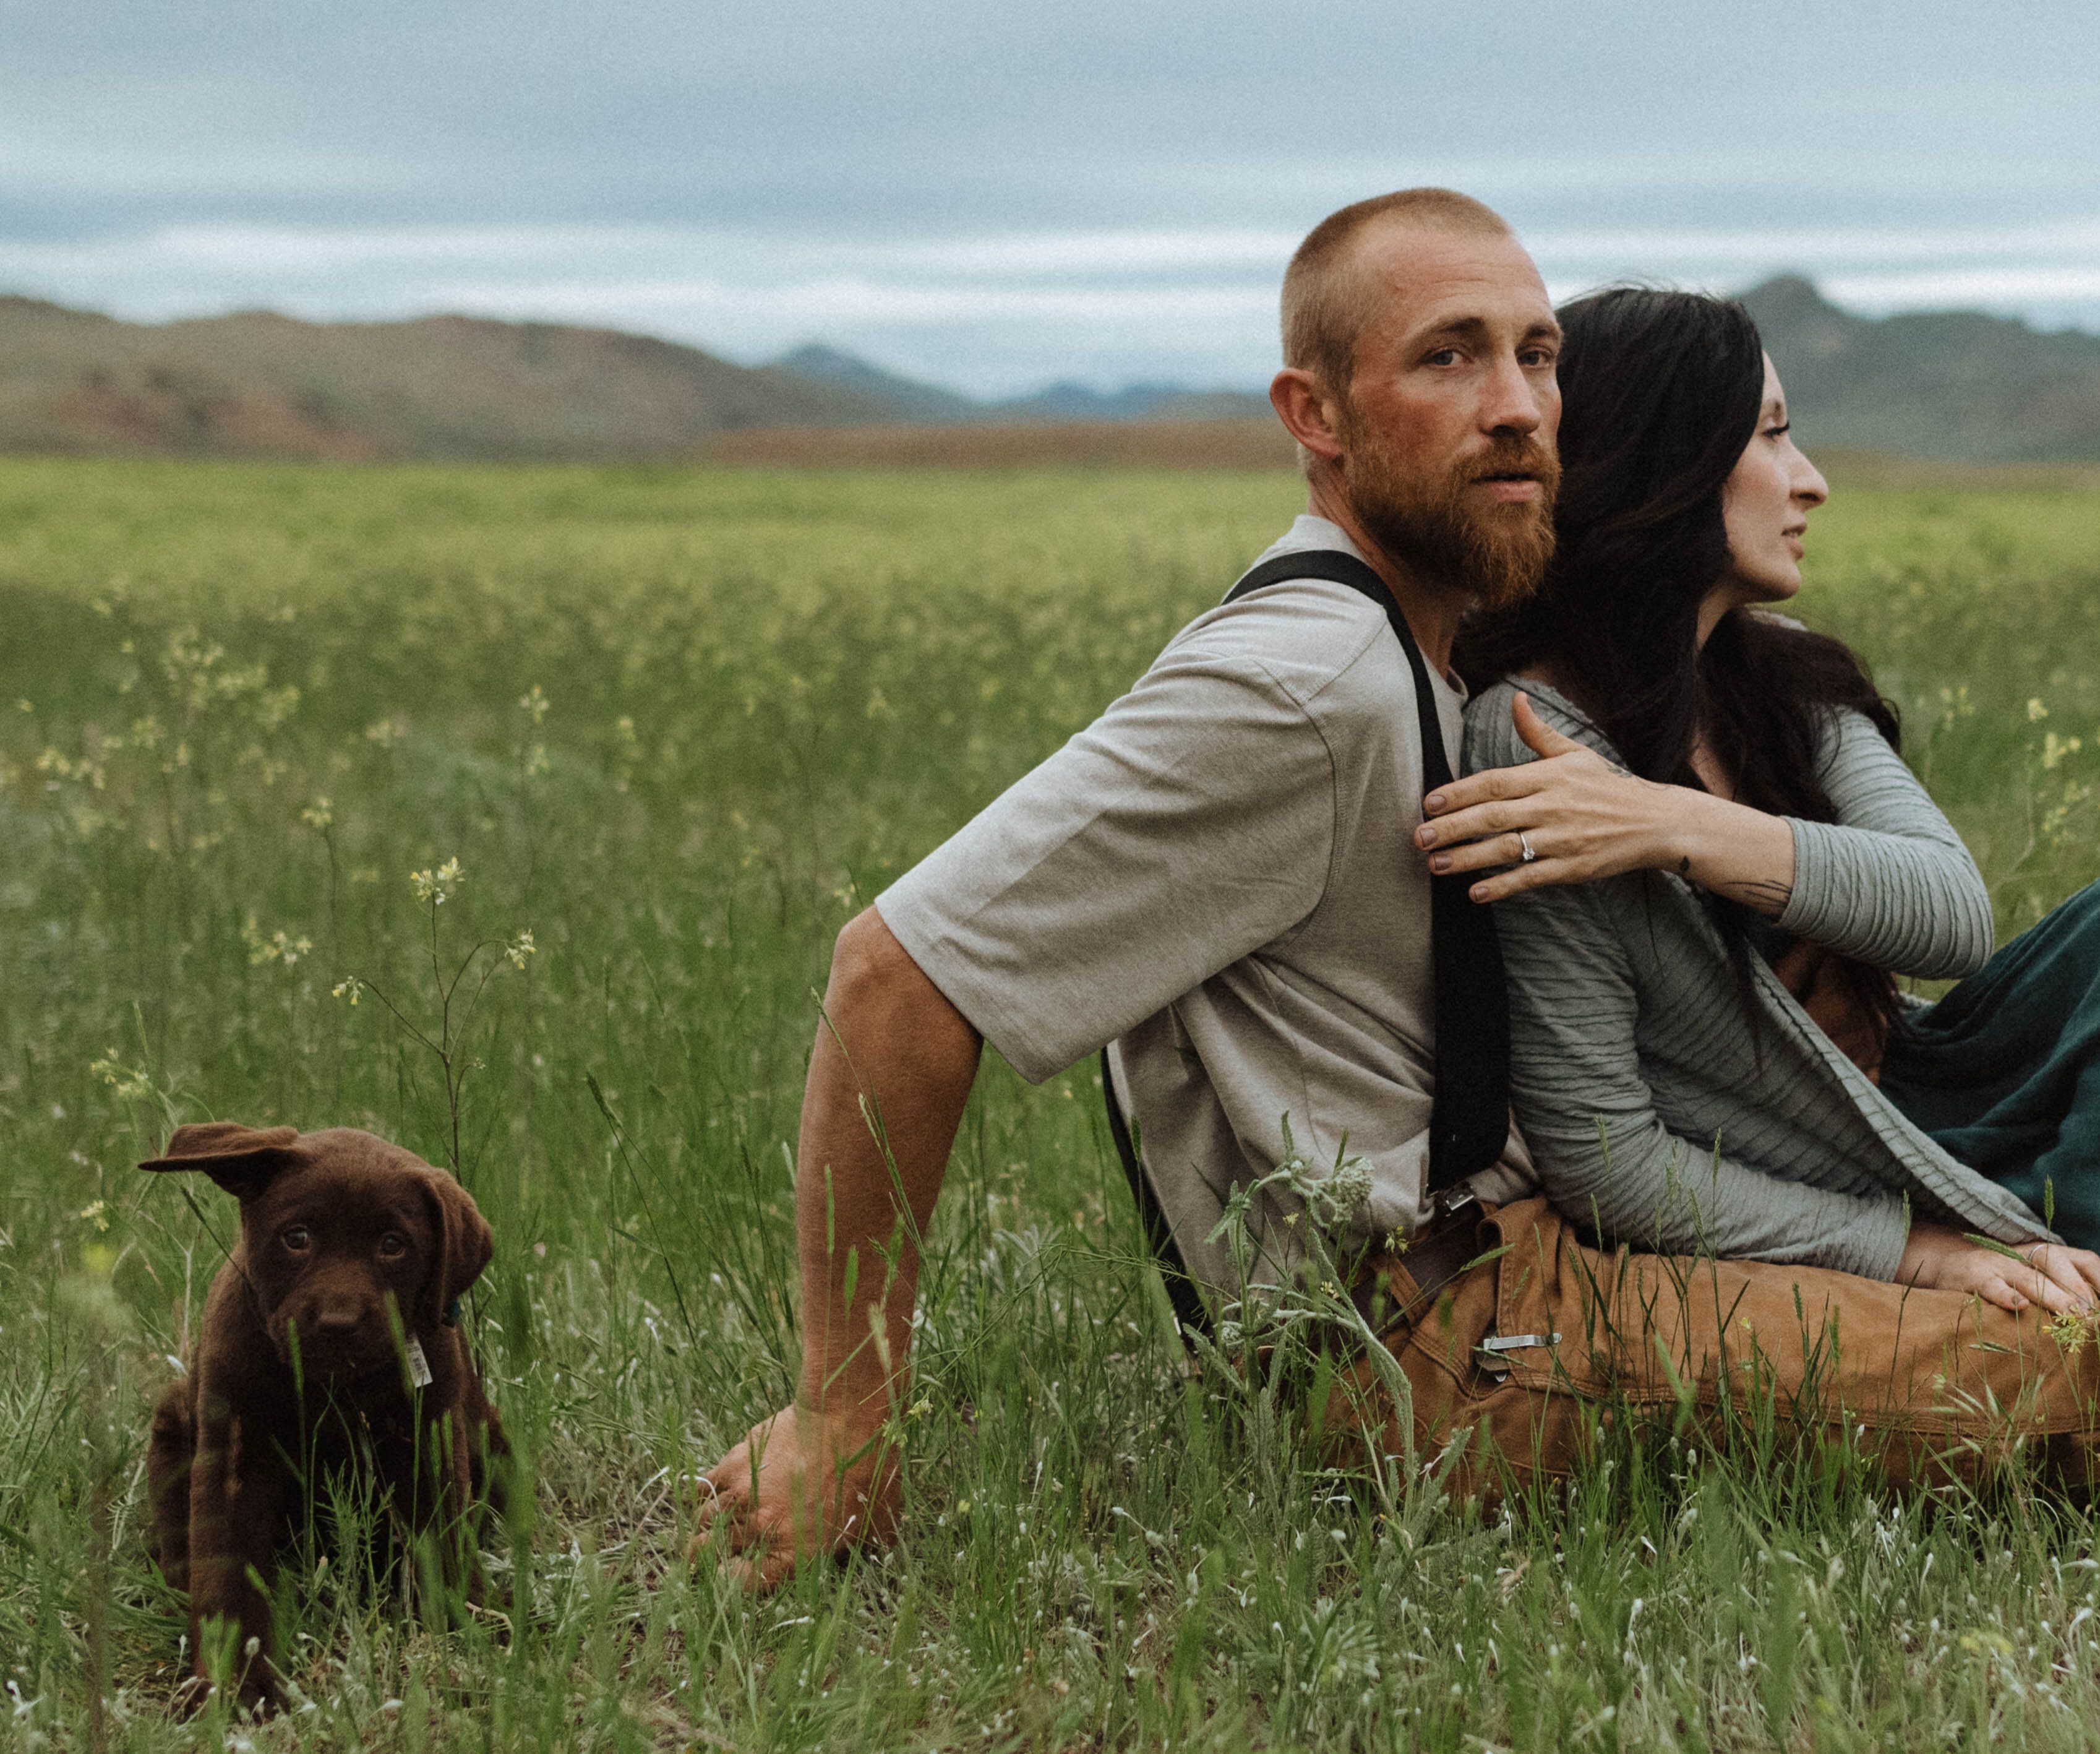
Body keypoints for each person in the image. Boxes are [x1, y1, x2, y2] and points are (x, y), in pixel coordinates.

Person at [694, 207, 2100, 1593]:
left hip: (1536, 1272)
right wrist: (845, 1416)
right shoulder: (1305, 680)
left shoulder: (1432, 649)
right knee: (2073, 1373)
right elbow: (898, 972)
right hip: (1442, 1336)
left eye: (1538, 358)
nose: (1516, 408)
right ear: (1316, 414)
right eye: (1448, 359)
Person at [1439, 285, 2100, 1312]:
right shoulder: (1532, 747)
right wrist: (1917, 1251)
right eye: (1773, 437)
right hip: (1842, 1167)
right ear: (1669, 467)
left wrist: (1672, 823)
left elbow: (1954, 917)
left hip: (1934, 1094)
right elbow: (1609, 1161)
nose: (1814, 482)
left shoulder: (1779, 674)